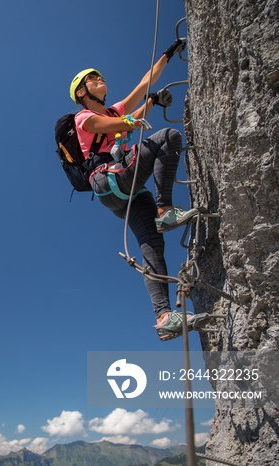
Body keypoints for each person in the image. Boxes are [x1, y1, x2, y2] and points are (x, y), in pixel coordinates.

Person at [70, 39, 197, 342]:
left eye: (99, 76)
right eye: (92, 78)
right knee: (167, 137)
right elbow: (108, 126)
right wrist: (132, 119)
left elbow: (144, 84)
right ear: (81, 93)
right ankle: (166, 210)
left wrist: (168, 53)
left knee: (152, 246)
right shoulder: (83, 117)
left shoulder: (114, 111)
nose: (99, 79)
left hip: (122, 191)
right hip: (109, 177)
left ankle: (164, 316)